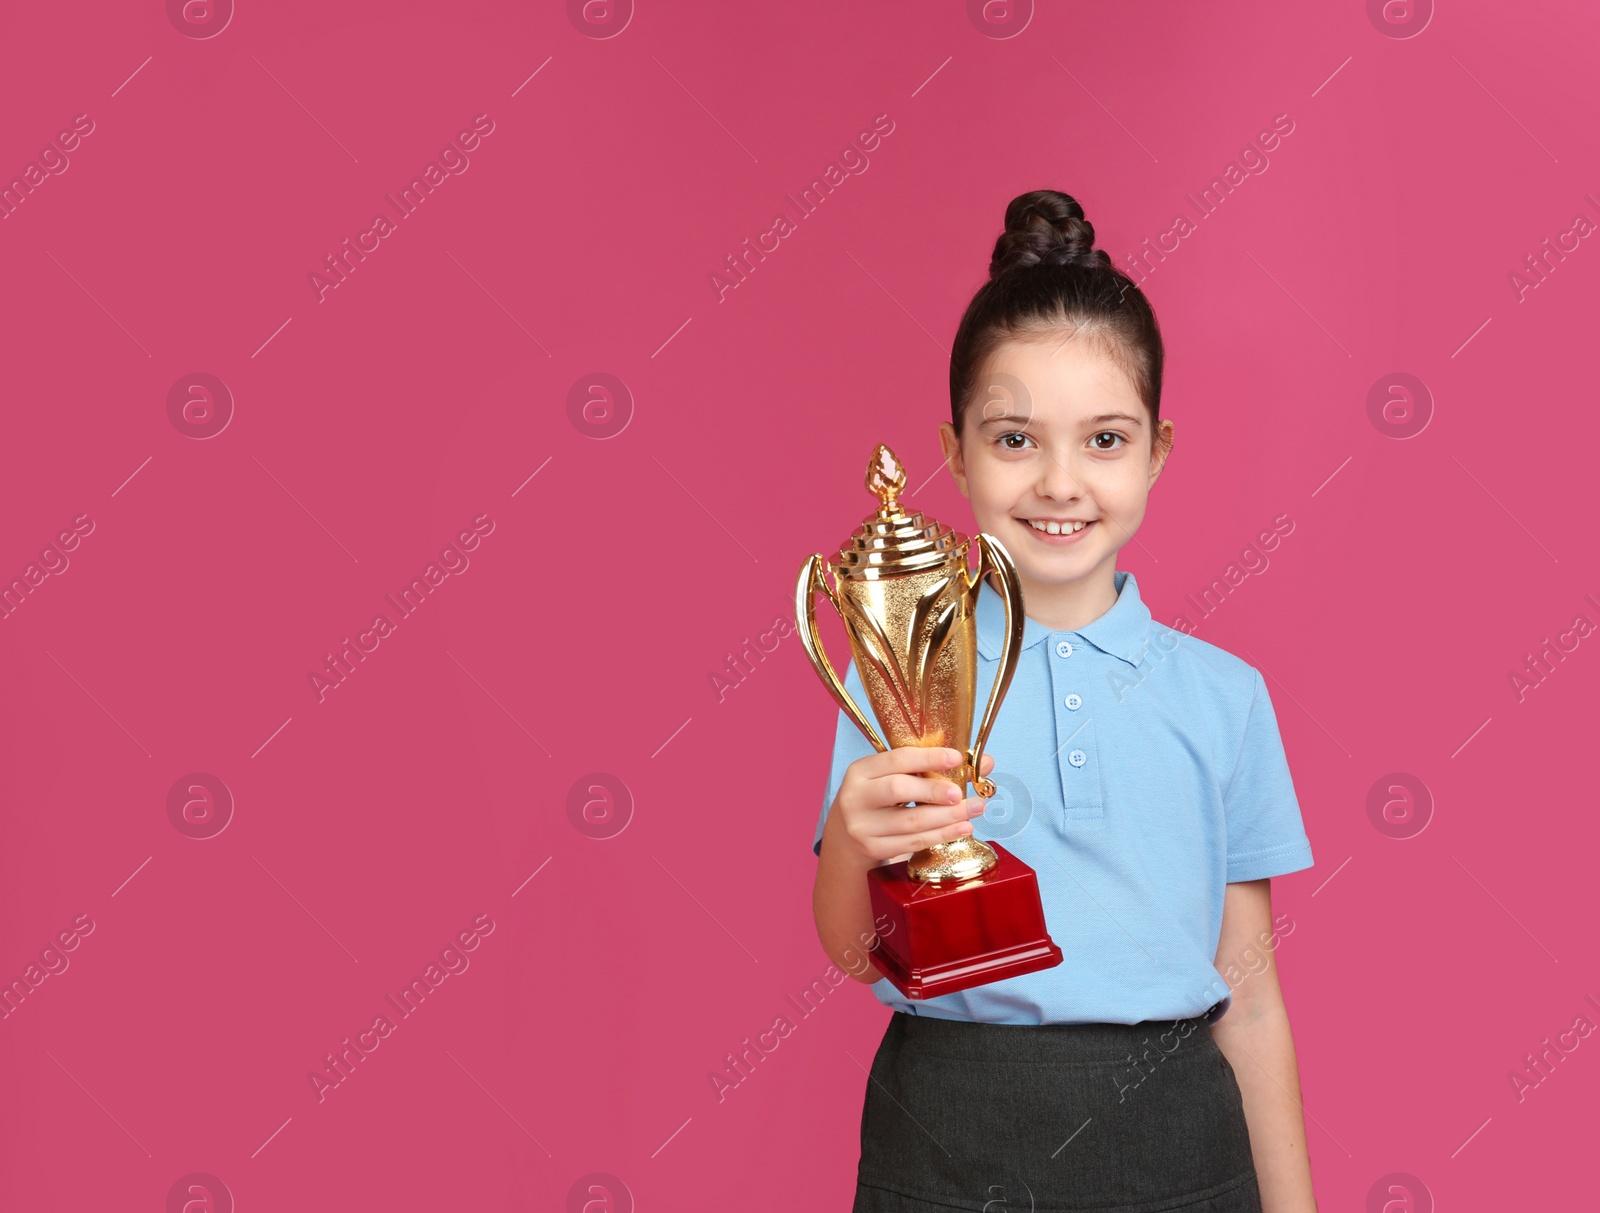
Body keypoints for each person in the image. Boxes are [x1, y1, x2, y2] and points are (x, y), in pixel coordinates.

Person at [810, 189, 1318, 1212]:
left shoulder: (1225, 698)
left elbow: (1250, 993)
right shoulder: (896, 679)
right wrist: (852, 843)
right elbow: (852, 947)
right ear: (952, 452)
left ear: (1155, 453)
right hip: (946, 1129)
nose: (1057, 481)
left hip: (1175, 1133)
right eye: (1012, 439)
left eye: (1103, 439)